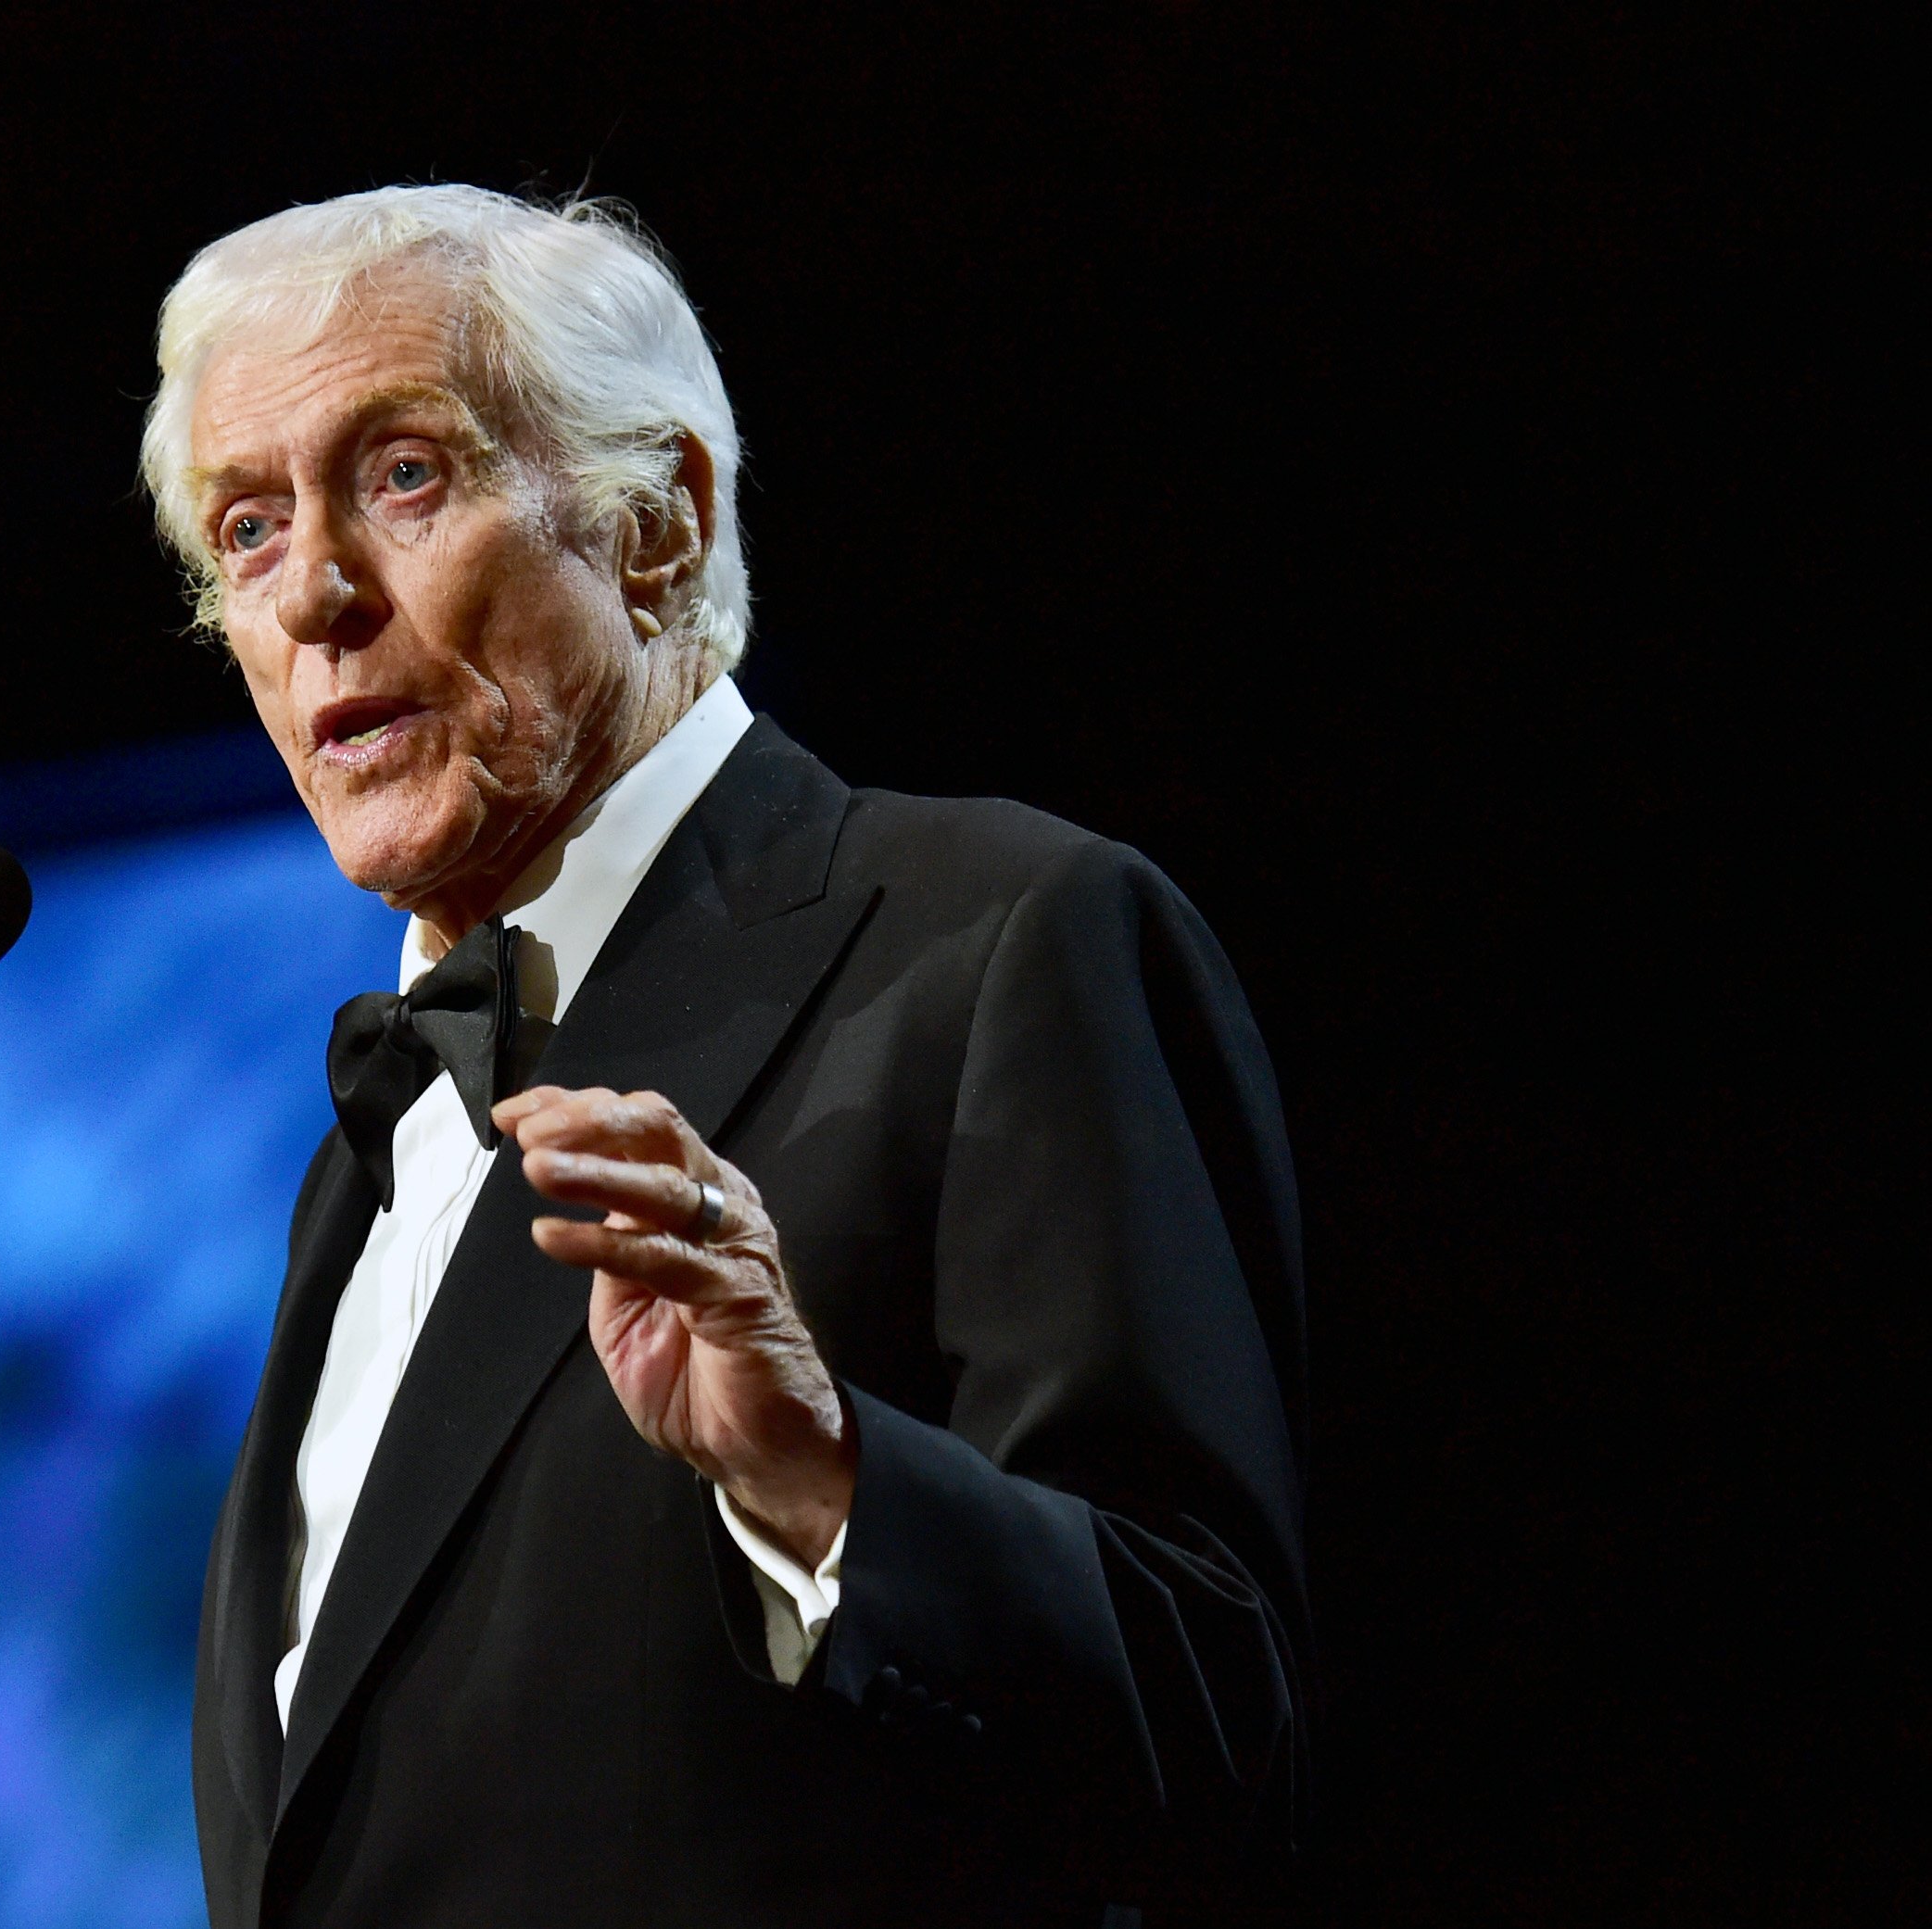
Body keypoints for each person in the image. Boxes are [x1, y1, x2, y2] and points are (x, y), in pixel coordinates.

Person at [140, 185, 1309, 1928]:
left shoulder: (1000, 942)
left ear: (658, 521)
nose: (312, 593)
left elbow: (1212, 1705)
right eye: (245, 527)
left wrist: (823, 1478)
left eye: (403, 475)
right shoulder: (359, 1162)